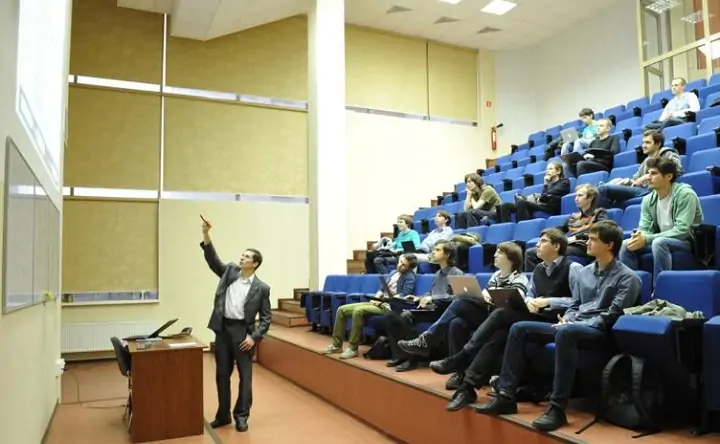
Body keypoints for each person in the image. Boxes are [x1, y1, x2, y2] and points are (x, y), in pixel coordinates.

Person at [474, 220, 641, 432]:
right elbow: (575, 304)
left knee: (566, 332)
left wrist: (572, 323)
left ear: (609, 245)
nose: (587, 242)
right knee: (519, 328)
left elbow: (612, 315)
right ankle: (506, 396)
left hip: (600, 331)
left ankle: (557, 408)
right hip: (574, 326)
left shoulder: (628, 278)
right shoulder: (585, 272)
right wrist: (567, 318)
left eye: (593, 239)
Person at [432, 229, 582, 411]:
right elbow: (530, 294)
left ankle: (463, 363)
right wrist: (529, 301)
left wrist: (549, 301)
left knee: (501, 316)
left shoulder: (573, 268)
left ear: (557, 246)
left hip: (556, 320)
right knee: (498, 330)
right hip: (534, 315)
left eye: (543, 241)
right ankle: (468, 387)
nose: (537, 244)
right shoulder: (538, 269)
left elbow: (578, 301)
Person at [396, 242, 529, 388]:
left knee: (460, 302)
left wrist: (489, 297)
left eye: (500, 253)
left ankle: (427, 340)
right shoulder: (496, 275)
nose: (495, 255)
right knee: (457, 323)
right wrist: (482, 296)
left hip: (501, 319)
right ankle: (459, 372)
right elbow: (486, 294)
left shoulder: (520, 278)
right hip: (487, 313)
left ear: (511, 258)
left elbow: (515, 302)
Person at [200, 215, 272, 433]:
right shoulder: (230, 271)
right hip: (223, 330)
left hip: (243, 333)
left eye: (247, 256)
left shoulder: (262, 288)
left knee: (245, 377)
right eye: (242, 254)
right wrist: (206, 233)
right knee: (222, 374)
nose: (242, 257)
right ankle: (223, 415)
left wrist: (254, 338)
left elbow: (266, 318)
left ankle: (241, 415)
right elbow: (213, 260)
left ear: (255, 263)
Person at [618, 156, 703, 285]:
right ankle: (631, 287)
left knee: (659, 242)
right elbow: (644, 229)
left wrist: (647, 239)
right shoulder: (648, 200)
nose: (648, 177)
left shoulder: (685, 194)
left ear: (668, 176)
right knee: (626, 244)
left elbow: (683, 231)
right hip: (660, 239)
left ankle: (660, 288)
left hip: (686, 241)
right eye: (648, 173)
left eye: (653, 173)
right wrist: (639, 236)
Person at [383, 241, 463, 372]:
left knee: (405, 316)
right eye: (434, 249)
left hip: (444, 312)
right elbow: (432, 293)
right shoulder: (438, 274)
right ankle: (400, 356)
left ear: (447, 254)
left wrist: (432, 298)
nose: (433, 252)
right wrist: (419, 297)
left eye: (437, 250)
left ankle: (412, 360)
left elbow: (456, 298)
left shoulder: (457, 273)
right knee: (390, 316)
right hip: (432, 309)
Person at [323, 254, 418, 359]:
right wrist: (376, 298)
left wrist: (382, 301)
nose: (399, 265)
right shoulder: (393, 272)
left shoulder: (410, 277)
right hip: (379, 302)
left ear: (410, 267)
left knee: (358, 311)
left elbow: (403, 295)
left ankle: (352, 348)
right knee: (341, 310)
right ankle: (336, 345)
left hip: (389, 306)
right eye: (400, 261)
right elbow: (382, 289)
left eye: (404, 265)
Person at [524, 184, 607, 271]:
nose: (576, 199)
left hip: (583, 246)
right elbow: (562, 229)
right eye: (576, 196)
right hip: (569, 244)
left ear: (590, 198)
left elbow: (601, 230)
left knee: (553, 251)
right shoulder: (574, 216)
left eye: (580, 196)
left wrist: (576, 237)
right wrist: (548, 233)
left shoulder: (599, 213)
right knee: (531, 253)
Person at [596, 130, 683, 209]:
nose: (643, 146)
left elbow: (676, 170)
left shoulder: (668, 154)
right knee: (603, 186)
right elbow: (636, 179)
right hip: (642, 189)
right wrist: (629, 181)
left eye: (647, 143)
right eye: (643, 143)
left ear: (658, 144)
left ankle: (598, 215)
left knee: (603, 189)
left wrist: (648, 176)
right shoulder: (646, 160)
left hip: (654, 190)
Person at [498, 162, 570, 223]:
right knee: (505, 206)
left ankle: (523, 228)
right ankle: (508, 229)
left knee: (522, 202)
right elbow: (544, 196)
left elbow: (548, 194)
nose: (547, 171)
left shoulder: (565, 181)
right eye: (547, 169)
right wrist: (545, 184)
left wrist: (546, 194)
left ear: (558, 171)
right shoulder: (549, 184)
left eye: (550, 169)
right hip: (542, 205)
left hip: (551, 208)